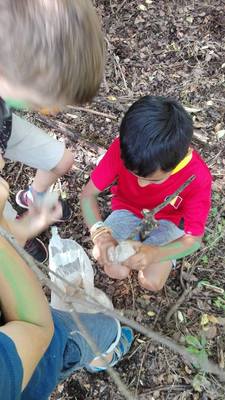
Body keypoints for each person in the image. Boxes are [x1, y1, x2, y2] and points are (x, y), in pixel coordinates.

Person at [0, 175, 133, 400]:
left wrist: (16, 231)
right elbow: (37, 328)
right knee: (105, 329)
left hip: (20, 348)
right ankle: (106, 355)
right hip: (41, 348)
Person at [0, 0, 105, 261]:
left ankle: (31, 197)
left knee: (62, 160)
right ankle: (17, 241)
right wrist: (25, 228)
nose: (55, 110)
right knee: (7, 231)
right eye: (43, 101)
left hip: (4, 123)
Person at [80, 95, 212, 292]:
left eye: (153, 180)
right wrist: (100, 233)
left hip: (168, 221)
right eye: (134, 174)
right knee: (113, 266)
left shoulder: (197, 177)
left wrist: (155, 254)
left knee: (151, 282)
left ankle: (156, 257)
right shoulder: (125, 149)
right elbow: (87, 195)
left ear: (177, 163)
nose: (141, 183)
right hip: (128, 210)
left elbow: (193, 240)